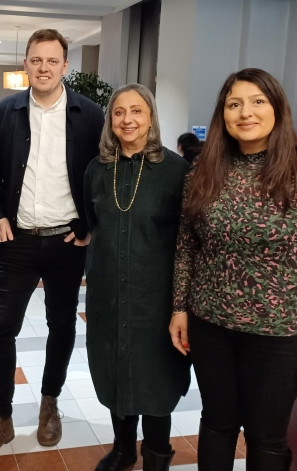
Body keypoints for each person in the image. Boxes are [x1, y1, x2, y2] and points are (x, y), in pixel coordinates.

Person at [169, 68, 297, 471]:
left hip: (281, 332)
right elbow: (186, 247)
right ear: (223, 114)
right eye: (234, 104)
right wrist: (179, 308)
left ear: (277, 109)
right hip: (210, 322)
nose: (245, 112)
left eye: (257, 102)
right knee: (216, 424)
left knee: (265, 436)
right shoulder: (203, 171)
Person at [0, 29, 105, 467]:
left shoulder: (91, 114)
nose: (43, 67)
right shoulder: (8, 111)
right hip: (19, 239)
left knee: (62, 324)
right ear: (25, 65)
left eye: (52, 60)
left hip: (67, 240)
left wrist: (90, 225)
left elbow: (102, 173)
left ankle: (50, 403)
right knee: (0, 329)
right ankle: (0, 416)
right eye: (35, 60)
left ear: (66, 66)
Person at [84, 83, 192, 471]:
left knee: (156, 376)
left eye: (137, 111)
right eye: (118, 112)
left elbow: (187, 237)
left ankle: (157, 456)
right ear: (110, 121)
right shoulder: (97, 169)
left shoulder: (176, 171)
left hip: (157, 295)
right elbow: (92, 221)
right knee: (115, 368)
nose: (127, 119)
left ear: (151, 118)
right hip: (108, 292)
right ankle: (122, 448)